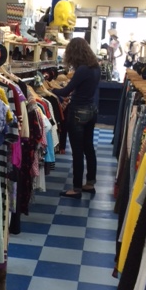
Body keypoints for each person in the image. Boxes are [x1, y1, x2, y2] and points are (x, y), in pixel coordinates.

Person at [51, 37, 100, 199]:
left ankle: (76, 188)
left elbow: (65, 91)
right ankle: (90, 183)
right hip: (92, 110)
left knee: (77, 151)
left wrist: (50, 90)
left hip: (78, 112)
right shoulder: (95, 67)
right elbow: (83, 89)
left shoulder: (82, 69)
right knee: (88, 148)